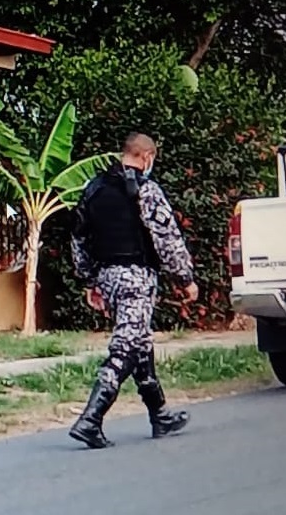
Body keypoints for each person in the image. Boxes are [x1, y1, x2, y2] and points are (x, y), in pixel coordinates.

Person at [68, 132, 199, 449]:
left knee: (139, 341)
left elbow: (79, 237)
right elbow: (166, 238)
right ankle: (91, 419)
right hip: (136, 277)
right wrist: (185, 278)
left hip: (108, 277)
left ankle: (160, 414)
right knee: (125, 348)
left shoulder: (93, 188)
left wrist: (89, 281)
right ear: (147, 157)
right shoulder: (145, 190)